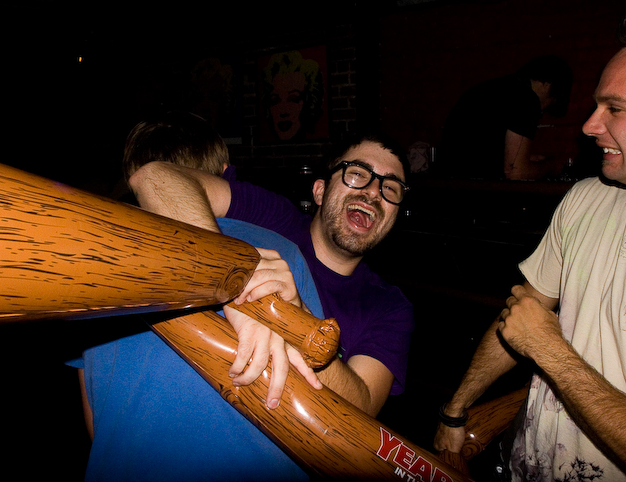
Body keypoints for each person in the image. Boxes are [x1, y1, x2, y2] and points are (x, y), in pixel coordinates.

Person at [434, 0, 626, 482]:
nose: (589, 125)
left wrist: (550, 349)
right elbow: (521, 315)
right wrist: (455, 409)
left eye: (615, 109)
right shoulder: (587, 199)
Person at [72, 111, 326, 481]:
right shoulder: (279, 254)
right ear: (222, 172)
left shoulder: (93, 260)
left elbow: (96, 421)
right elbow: (318, 396)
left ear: (130, 176)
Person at [129, 133, 415, 417]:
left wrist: (293, 321)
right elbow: (155, 177)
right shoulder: (274, 216)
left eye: (391, 188)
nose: (374, 192)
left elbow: (362, 408)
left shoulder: (390, 306)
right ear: (320, 191)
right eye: (357, 173)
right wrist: (230, 276)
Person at [439, 55, 572, 180]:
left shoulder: (487, 89)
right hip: (474, 187)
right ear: (547, 85)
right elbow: (515, 172)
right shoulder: (526, 99)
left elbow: (477, 150)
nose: (542, 110)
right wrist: (551, 167)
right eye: (551, 101)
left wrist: (528, 160)